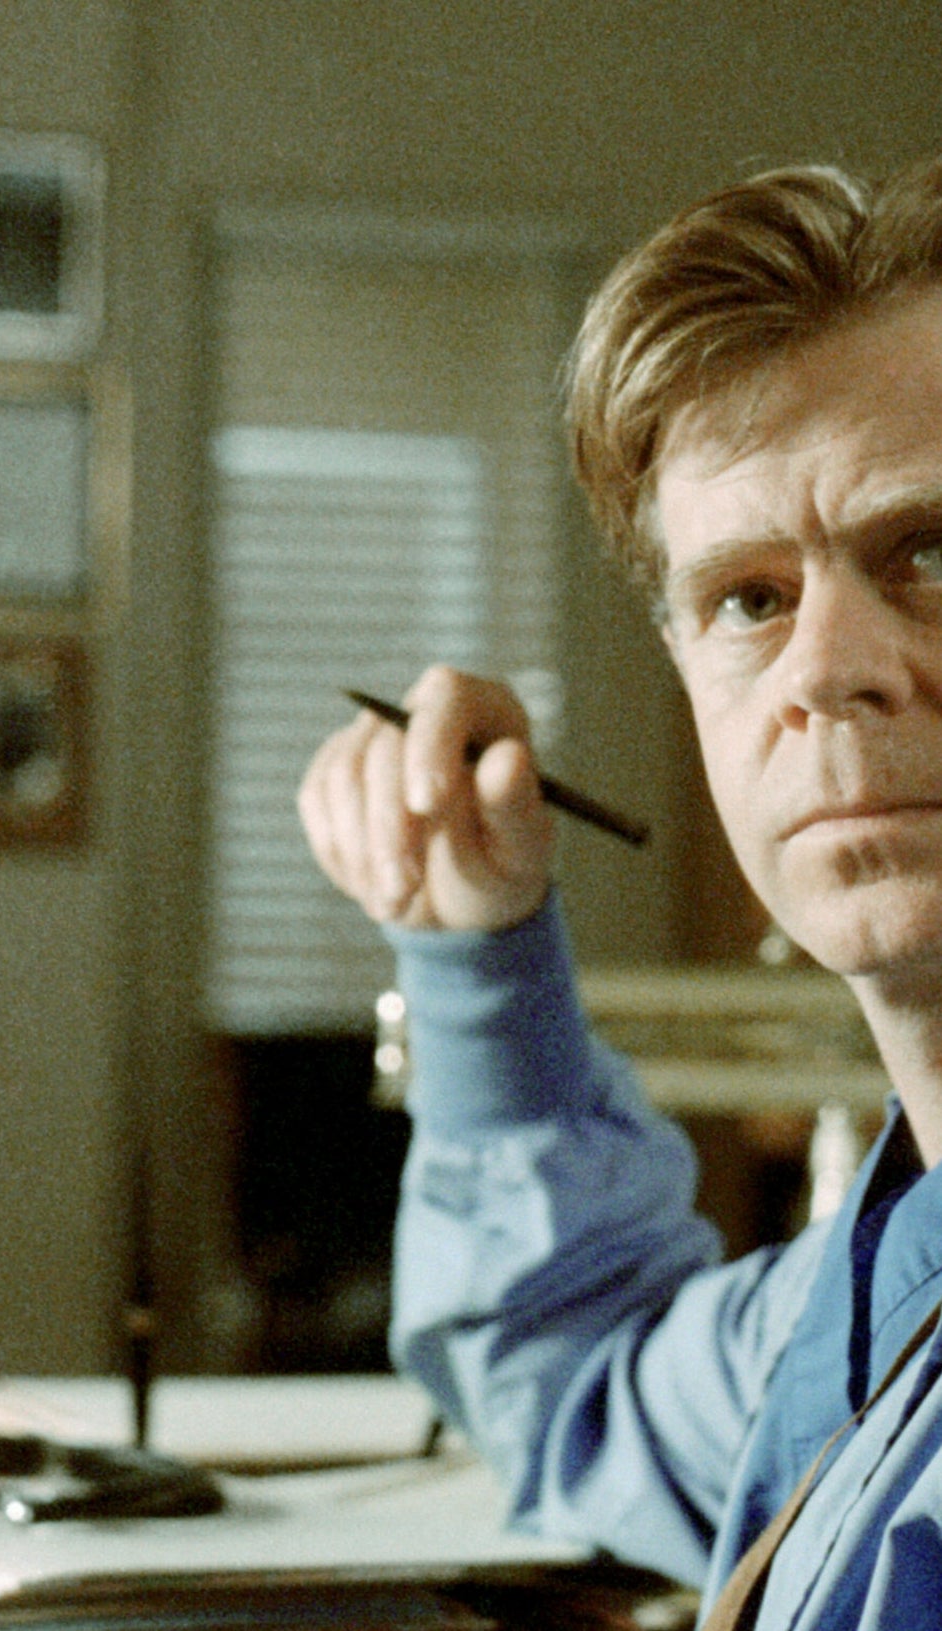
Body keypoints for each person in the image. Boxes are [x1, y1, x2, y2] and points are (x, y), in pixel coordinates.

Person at [297, 156, 942, 1631]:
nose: (823, 669)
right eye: (748, 598)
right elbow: (582, 1390)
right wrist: (477, 952)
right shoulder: (880, 1288)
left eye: (927, 551)